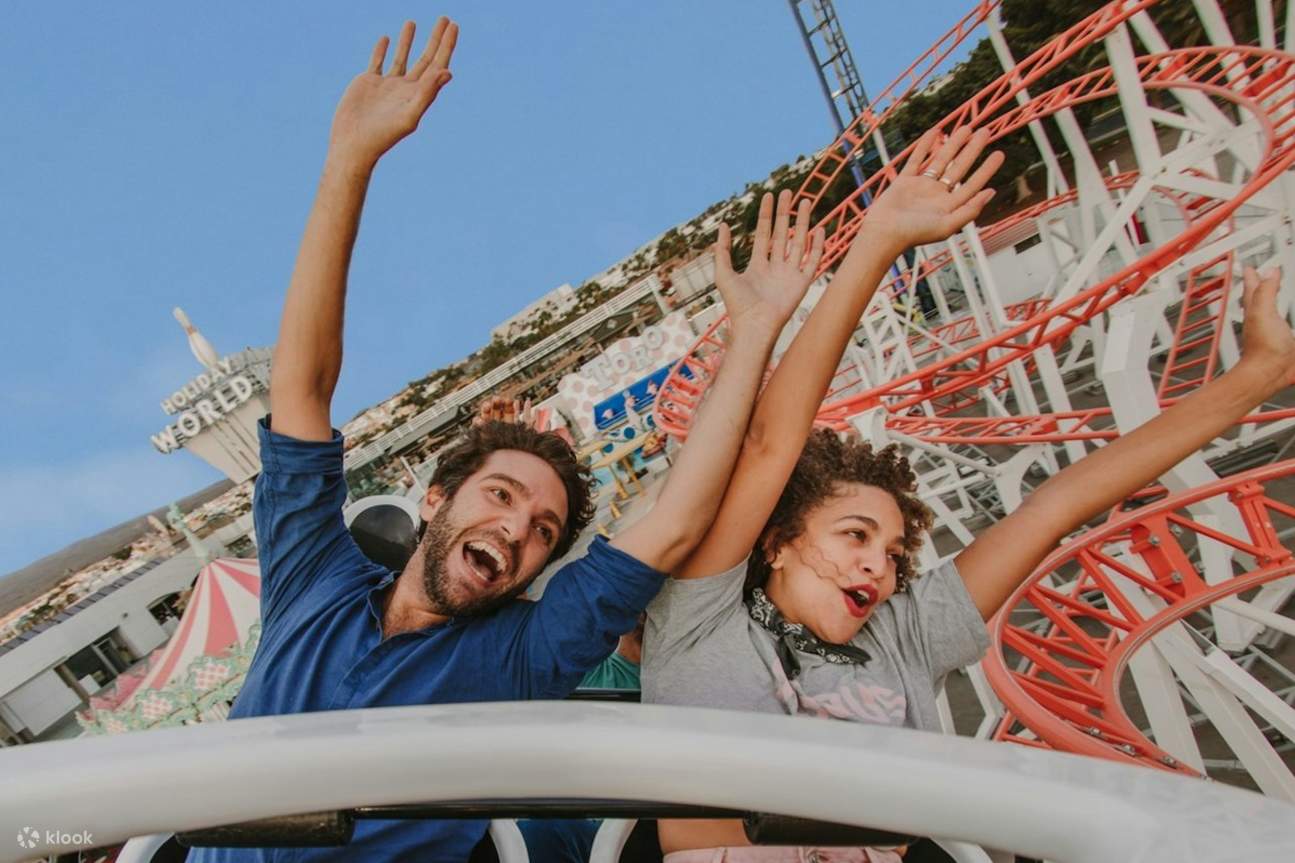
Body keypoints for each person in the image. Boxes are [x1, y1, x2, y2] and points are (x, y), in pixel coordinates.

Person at [191, 18, 825, 862]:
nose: (517, 530)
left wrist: (750, 331)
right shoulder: (313, 578)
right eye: (502, 495)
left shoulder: (519, 653)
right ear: (434, 500)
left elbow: (672, 521)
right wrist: (349, 160)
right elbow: (302, 389)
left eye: (543, 531)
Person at [642, 123, 1295, 861]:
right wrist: (878, 241)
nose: (878, 568)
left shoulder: (902, 634)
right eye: (854, 535)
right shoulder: (700, 621)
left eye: (891, 553)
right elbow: (770, 443)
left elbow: (1056, 504)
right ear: (780, 541)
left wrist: (1255, 377)